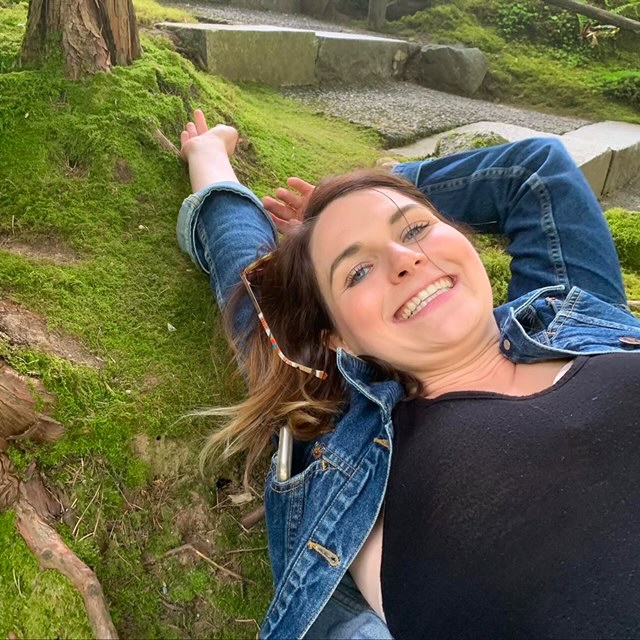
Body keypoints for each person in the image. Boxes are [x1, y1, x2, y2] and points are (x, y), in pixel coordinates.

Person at [177, 110, 640, 639]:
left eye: (416, 228)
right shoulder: (345, 427)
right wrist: (208, 157)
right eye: (357, 271)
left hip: (559, 334)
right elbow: (250, 283)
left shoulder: (575, 311)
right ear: (338, 338)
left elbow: (537, 167)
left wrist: (340, 203)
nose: (405, 259)